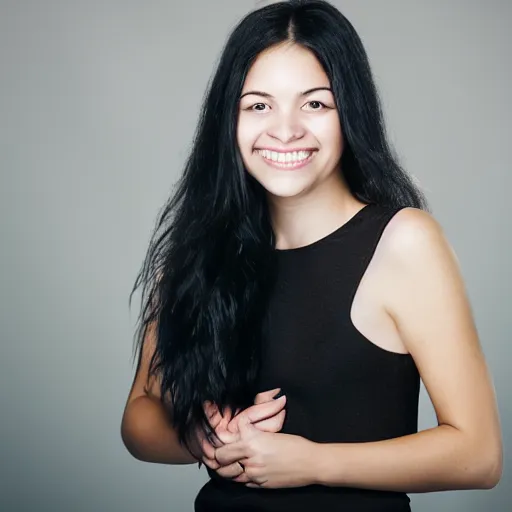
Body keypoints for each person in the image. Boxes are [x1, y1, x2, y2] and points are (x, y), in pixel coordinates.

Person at [120, 1, 502, 510]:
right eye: (258, 105)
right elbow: (139, 417)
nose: (285, 129)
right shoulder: (199, 251)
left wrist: (313, 461)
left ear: (351, 112)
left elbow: (479, 455)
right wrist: (206, 441)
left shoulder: (405, 241)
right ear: (227, 119)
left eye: (315, 104)